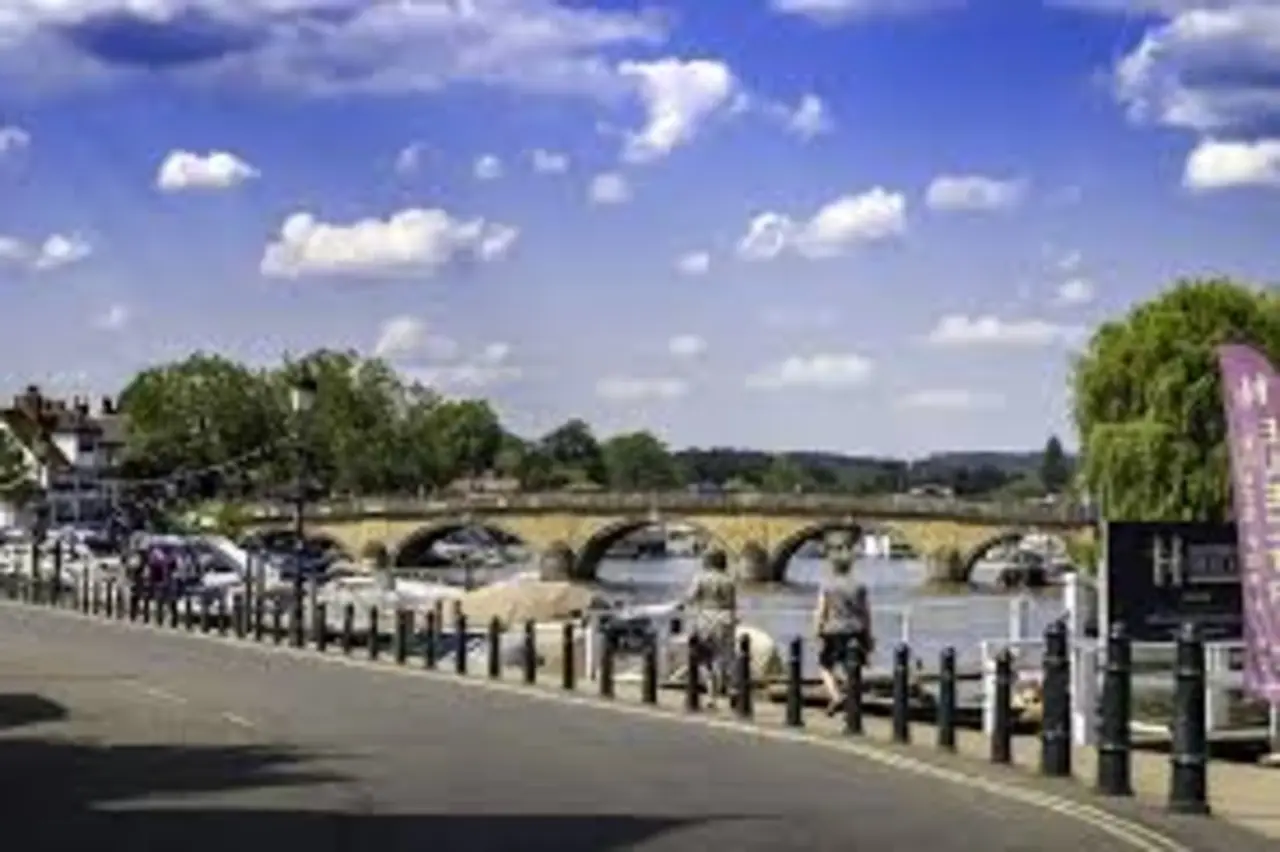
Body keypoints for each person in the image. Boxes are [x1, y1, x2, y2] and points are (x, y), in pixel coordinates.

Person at [813, 554, 874, 716]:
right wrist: (868, 635)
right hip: (856, 630)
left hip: (833, 630)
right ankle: (852, 705)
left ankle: (836, 695)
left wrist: (817, 629)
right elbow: (866, 612)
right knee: (853, 668)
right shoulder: (860, 586)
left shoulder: (827, 585)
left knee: (825, 666)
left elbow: (821, 610)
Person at [682, 547, 737, 707]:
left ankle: (711, 695)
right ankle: (733, 689)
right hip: (726, 619)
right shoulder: (729, 580)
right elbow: (733, 604)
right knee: (727, 656)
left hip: (705, 619)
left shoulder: (701, 578)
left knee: (705, 657)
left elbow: (690, 597)